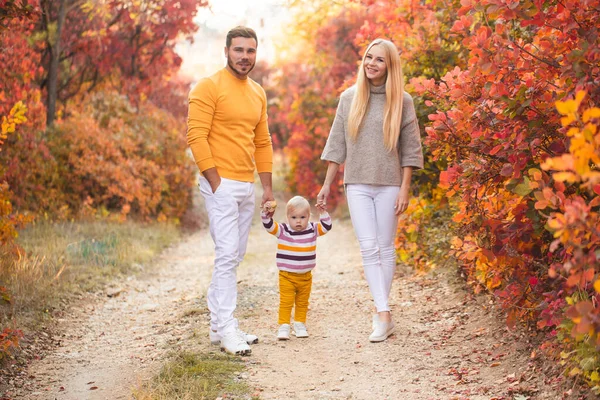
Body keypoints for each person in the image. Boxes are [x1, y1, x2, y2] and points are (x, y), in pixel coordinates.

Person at [317, 38, 424, 342]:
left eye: (379, 60)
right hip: (358, 184)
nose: (371, 64)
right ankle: (385, 313)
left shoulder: (402, 101)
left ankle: (381, 313)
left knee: (385, 247)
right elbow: (336, 145)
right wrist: (327, 185)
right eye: (368, 57)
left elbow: (411, 151)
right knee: (368, 247)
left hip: (390, 184)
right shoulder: (349, 98)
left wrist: (405, 189)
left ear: (390, 66)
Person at [186, 26, 274, 356]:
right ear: (226, 51)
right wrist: (216, 182)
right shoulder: (208, 87)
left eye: (250, 51)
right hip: (218, 183)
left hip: (246, 185)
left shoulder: (257, 93)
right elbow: (196, 137)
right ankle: (226, 329)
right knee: (226, 255)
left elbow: (262, 142)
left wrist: (266, 189)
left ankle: (217, 325)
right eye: (238, 50)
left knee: (234, 256)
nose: (244, 56)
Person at [260, 196, 332, 340]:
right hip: (286, 275)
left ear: (308, 217)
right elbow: (269, 226)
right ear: (287, 217)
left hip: (305, 276)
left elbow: (326, 227)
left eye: (302, 217)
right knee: (286, 302)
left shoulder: (312, 229)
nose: (298, 221)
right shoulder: (283, 230)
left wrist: (323, 213)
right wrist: (265, 213)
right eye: (294, 217)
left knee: (302, 302)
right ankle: (284, 326)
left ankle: (300, 324)